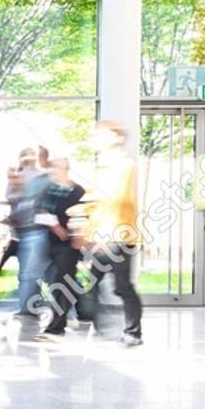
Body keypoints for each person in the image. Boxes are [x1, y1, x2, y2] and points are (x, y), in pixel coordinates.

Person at [76, 122, 143, 347]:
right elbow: (97, 201)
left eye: (98, 136)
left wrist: (105, 235)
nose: (92, 139)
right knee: (93, 283)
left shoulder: (124, 165)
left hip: (118, 237)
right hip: (101, 236)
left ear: (115, 137)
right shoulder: (101, 167)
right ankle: (96, 326)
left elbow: (120, 202)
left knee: (122, 287)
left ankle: (133, 333)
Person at [37, 156, 87, 337]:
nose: (55, 171)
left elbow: (82, 215)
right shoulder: (48, 189)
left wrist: (77, 235)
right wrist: (55, 226)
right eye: (53, 168)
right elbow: (39, 210)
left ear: (66, 169)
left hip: (69, 244)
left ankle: (56, 326)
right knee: (62, 282)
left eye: (58, 168)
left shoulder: (77, 191)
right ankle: (83, 310)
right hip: (49, 242)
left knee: (62, 282)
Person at [9, 149, 50, 317]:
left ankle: (26, 308)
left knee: (30, 273)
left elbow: (28, 201)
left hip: (33, 229)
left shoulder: (40, 177)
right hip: (22, 231)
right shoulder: (20, 177)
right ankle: (31, 305)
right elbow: (12, 198)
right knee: (30, 272)